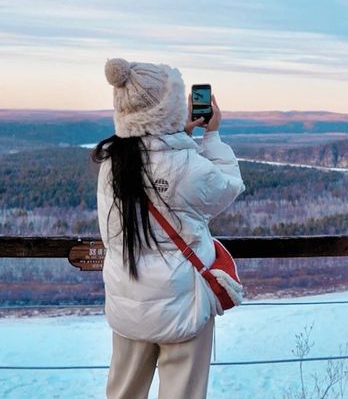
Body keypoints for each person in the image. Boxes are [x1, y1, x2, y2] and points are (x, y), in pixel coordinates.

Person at [93, 58, 245, 399]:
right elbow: (229, 186)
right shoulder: (188, 166)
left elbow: (152, 162)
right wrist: (213, 135)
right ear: (171, 107)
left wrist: (179, 136)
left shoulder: (111, 163)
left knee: (123, 393)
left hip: (128, 302)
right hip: (182, 308)